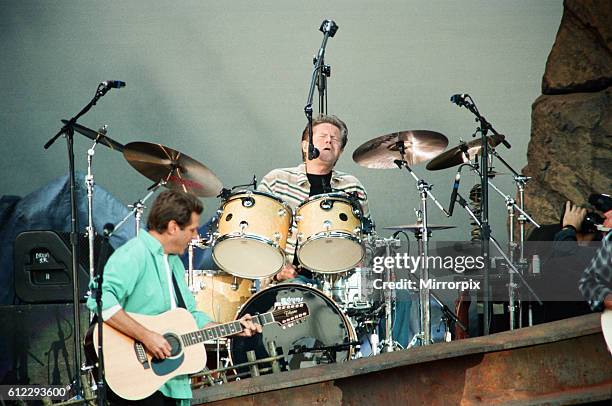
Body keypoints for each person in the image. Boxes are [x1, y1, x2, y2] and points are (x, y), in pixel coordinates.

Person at [86, 190, 261, 405]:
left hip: (169, 384)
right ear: (172, 227)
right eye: (192, 230)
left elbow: (192, 318)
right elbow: (100, 300)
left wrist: (233, 328)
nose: (196, 237)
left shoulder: (174, 264)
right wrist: (146, 336)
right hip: (138, 381)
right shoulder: (135, 254)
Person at [257, 114, 370, 282]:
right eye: (322, 136)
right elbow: (256, 234)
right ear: (305, 146)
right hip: (286, 281)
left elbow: (367, 238)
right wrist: (276, 269)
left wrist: (360, 262)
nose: (329, 141)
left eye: (335, 139)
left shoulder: (352, 186)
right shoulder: (277, 181)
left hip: (338, 283)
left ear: (341, 151)